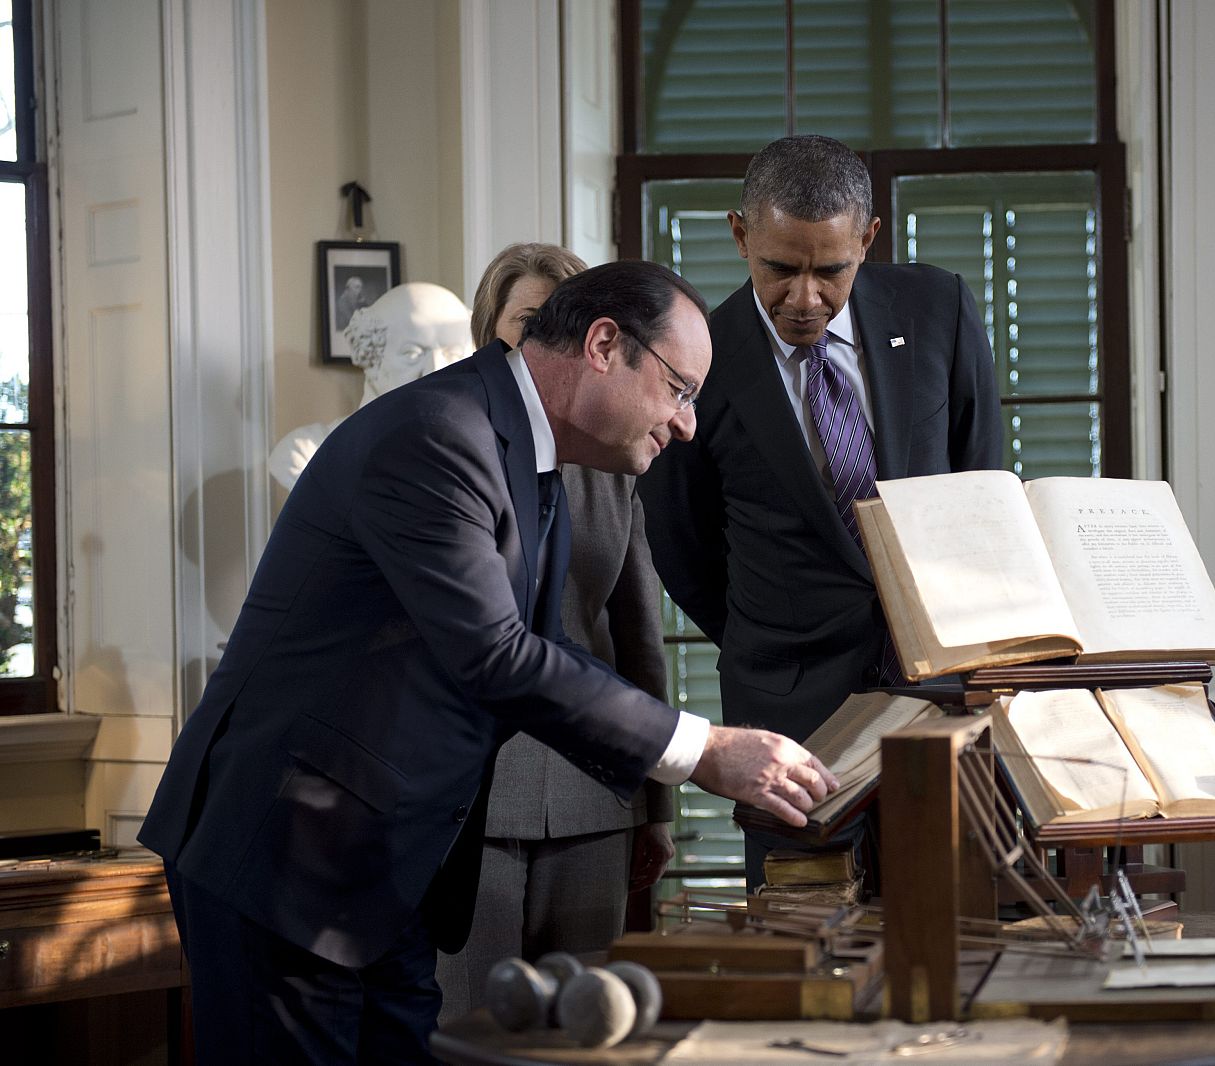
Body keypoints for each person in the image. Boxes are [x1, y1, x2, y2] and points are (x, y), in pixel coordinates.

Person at [139, 260, 838, 1065]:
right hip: (286, 857)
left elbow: (548, 653)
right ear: (605, 345)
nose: (686, 425)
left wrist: (664, 776)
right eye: (680, 389)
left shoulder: (529, 457)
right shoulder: (438, 432)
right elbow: (495, 657)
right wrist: (702, 750)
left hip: (386, 871)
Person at [638, 134, 1003, 885]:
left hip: (940, 699)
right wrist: (775, 635)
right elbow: (682, 544)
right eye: (779, 268)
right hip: (788, 715)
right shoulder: (695, 356)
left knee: (955, 936)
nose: (804, 299)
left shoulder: (940, 311)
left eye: (830, 270)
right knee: (805, 947)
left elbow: (983, 489)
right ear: (741, 236)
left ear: (867, 239)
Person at [434, 243, 674, 1021]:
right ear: (490, 332)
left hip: (594, 798)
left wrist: (657, 808)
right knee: (476, 1025)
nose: (546, 338)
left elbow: (640, 639)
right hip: (476, 797)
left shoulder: (619, 467)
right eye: (528, 322)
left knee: (589, 1028)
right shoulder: (454, 449)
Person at [268, 281, 474, 489]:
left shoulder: (483, 458)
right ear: (370, 357)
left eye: (453, 355)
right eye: (412, 354)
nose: (436, 371)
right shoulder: (306, 453)